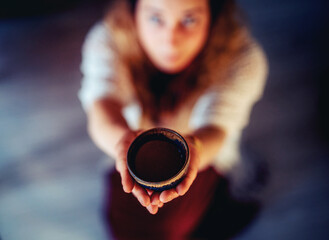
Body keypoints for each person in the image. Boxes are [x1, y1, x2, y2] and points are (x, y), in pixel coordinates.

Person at [78, 0, 268, 238]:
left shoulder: (242, 59)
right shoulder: (108, 39)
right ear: (132, 11)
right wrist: (121, 143)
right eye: (156, 19)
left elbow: (217, 128)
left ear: (214, 14)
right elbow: (102, 107)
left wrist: (195, 149)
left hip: (205, 157)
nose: (171, 40)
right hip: (133, 155)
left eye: (189, 20)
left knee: (171, 227)